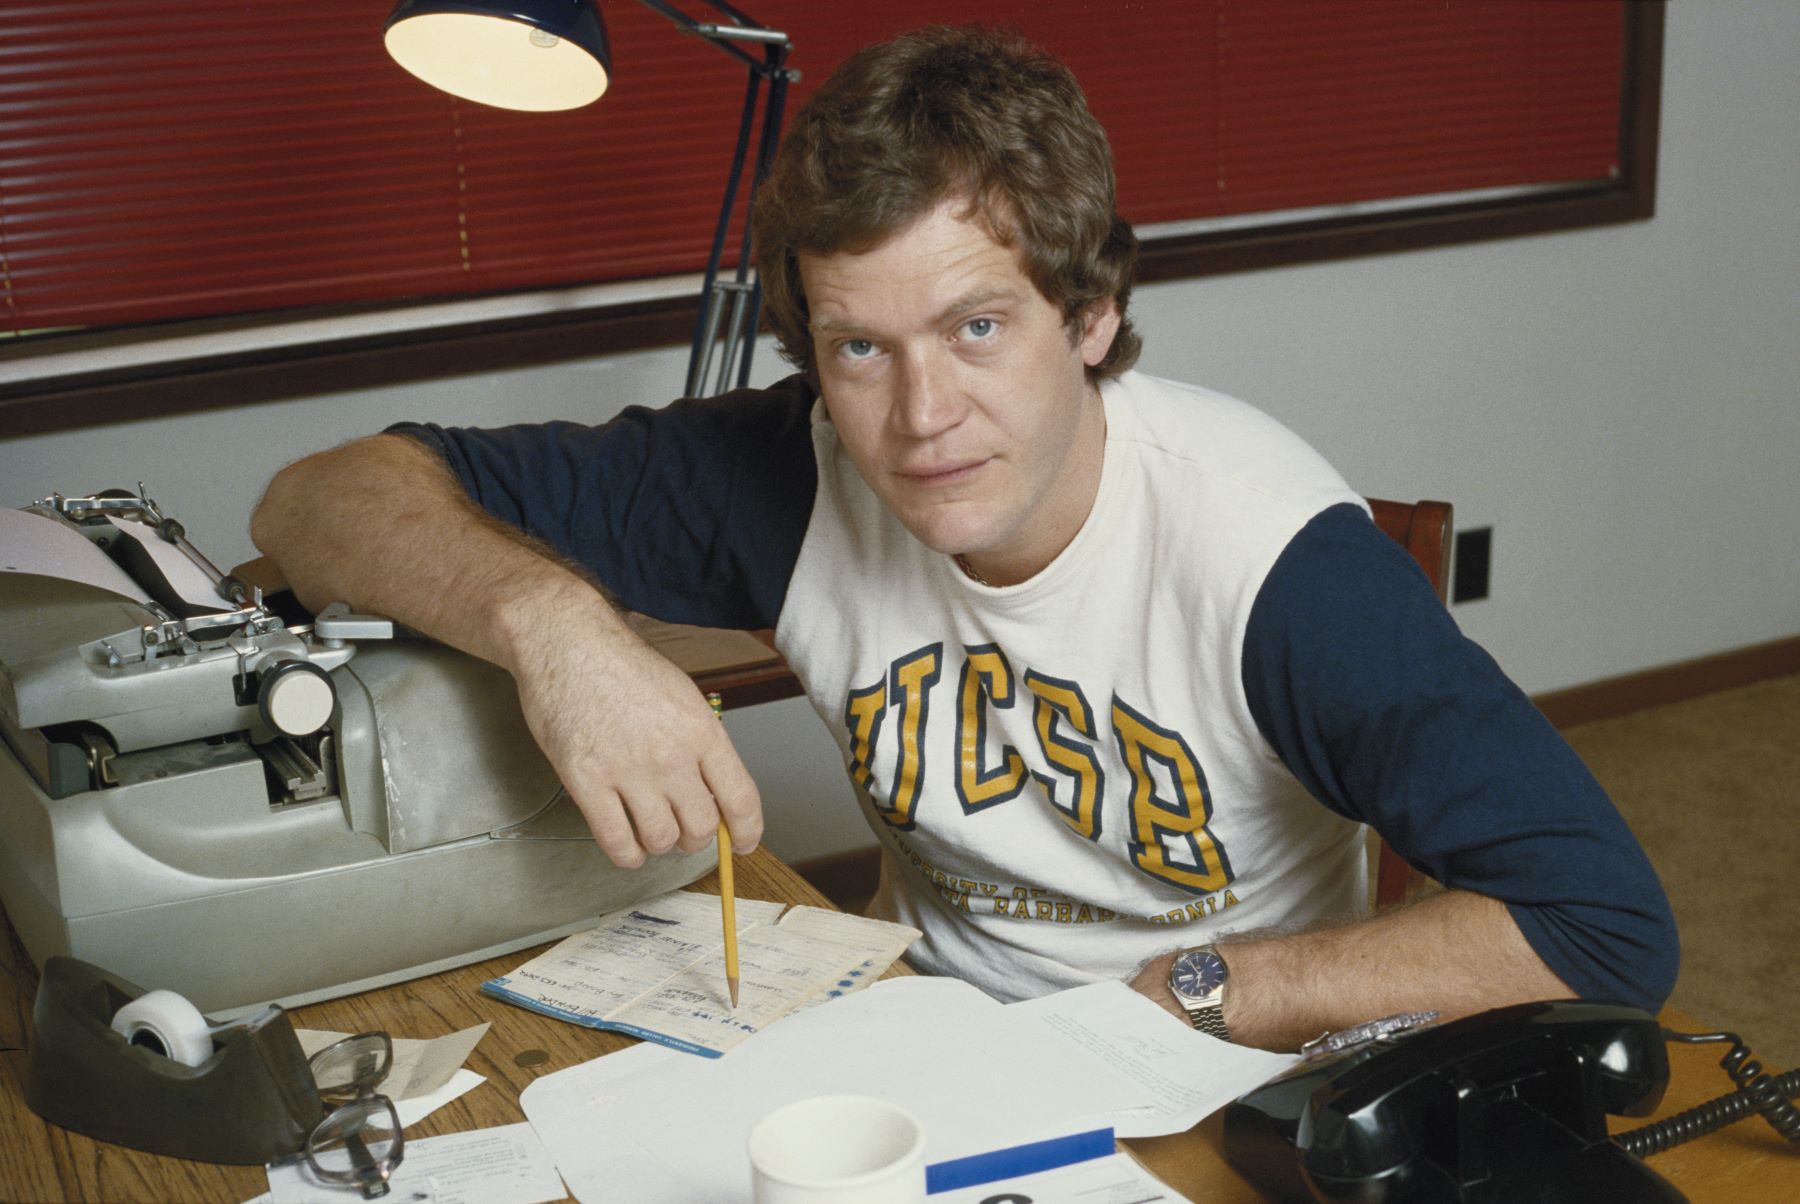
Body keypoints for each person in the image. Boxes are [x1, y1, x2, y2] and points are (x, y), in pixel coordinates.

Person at [252, 25, 1677, 1051]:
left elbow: (1603, 927)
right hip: (913, 1040)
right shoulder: (787, 464)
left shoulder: (1280, 564)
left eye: (977, 327)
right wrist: (550, 627)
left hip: (1210, 1079)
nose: (921, 416)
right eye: (860, 347)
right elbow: (313, 501)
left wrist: (1188, 993)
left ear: (1093, 315)